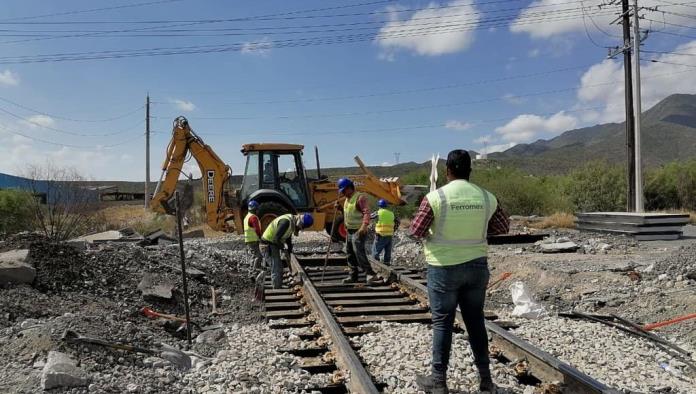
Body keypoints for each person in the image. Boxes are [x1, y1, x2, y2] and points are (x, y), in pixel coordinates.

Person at [409, 149, 510, 394]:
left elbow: (416, 231)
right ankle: (486, 381)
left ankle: (439, 382)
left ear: (447, 171)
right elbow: (502, 228)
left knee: (442, 323)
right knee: (475, 322)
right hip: (476, 266)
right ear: (469, 171)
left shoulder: (436, 198)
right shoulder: (487, 197)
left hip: (443, 268)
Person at [336, 178, 381, 284]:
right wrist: (339, 208)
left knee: (358, 252)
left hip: (358, 230)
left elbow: (367, 212)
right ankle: (353, 276)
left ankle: (370, 274)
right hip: (349, 230)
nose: (342, 193)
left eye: (343, 190)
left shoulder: (360, 198)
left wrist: (364, 226)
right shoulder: (347, 199)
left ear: (350, 188)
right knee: (349, 253)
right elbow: (348, 213)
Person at [261, 213, 314, 289]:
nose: (299, 229)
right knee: (276, 266)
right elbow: (276, 239)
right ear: (300, 222)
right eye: (300, 227)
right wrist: (283, 248)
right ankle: (277, 288)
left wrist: (289, 250)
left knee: (278, 265)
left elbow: (288, 238)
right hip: (267, 245)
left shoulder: (292, 222)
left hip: (273, 244)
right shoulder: (286, 222)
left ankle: (277, 285)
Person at [372, 199, 395, 265]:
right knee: (388, 251)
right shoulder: (391, 213)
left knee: (375, 251)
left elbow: (369, 216)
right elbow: (397, 222)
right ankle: (387, 264)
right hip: (389, 235)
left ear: (379, 205)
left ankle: (375, 265)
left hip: (380, 234)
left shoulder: (378, 212)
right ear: (386, 206)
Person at [244, 200, 263, 271]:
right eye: (257, 209)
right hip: (253, 239)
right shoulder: (253, 217)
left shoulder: (247, 217)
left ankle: (252, 269)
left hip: (248, 240)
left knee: (254, 255)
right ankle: (255, 270)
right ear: (255, 209)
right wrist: (261, 237)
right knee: (258, 255)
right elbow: (257, 229)